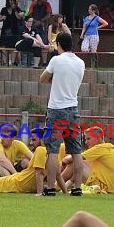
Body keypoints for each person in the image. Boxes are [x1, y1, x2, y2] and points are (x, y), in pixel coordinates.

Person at [40, 32, 84, 197]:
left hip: (56, 109)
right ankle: (77, 187)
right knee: (76, 151)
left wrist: (54, 79)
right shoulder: (80, 63)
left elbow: (43, 78)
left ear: (58, 44)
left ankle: (50, 187)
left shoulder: (56, 61)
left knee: (52, 149)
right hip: (73, 108)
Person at [0, 129, 52, 194]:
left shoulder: (41, 150)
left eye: (33, 140)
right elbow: (2, 160)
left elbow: (42, 172)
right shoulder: (50, 153)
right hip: (3, 174)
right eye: (1, 136)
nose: (1, 139)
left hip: (18, 181)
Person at [0, 0, 24, 66]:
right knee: (4, 45)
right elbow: (0, 19)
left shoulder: (17, 9)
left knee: (13, 46)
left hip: (14, 29)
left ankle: (12, 62)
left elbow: (19, 17)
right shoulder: (4, 9)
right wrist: (2, 18)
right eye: (10, 0)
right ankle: (4, 62)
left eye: (13, 1)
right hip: (5, 29)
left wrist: (15, 9)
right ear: (8, 1)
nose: (12, 2)